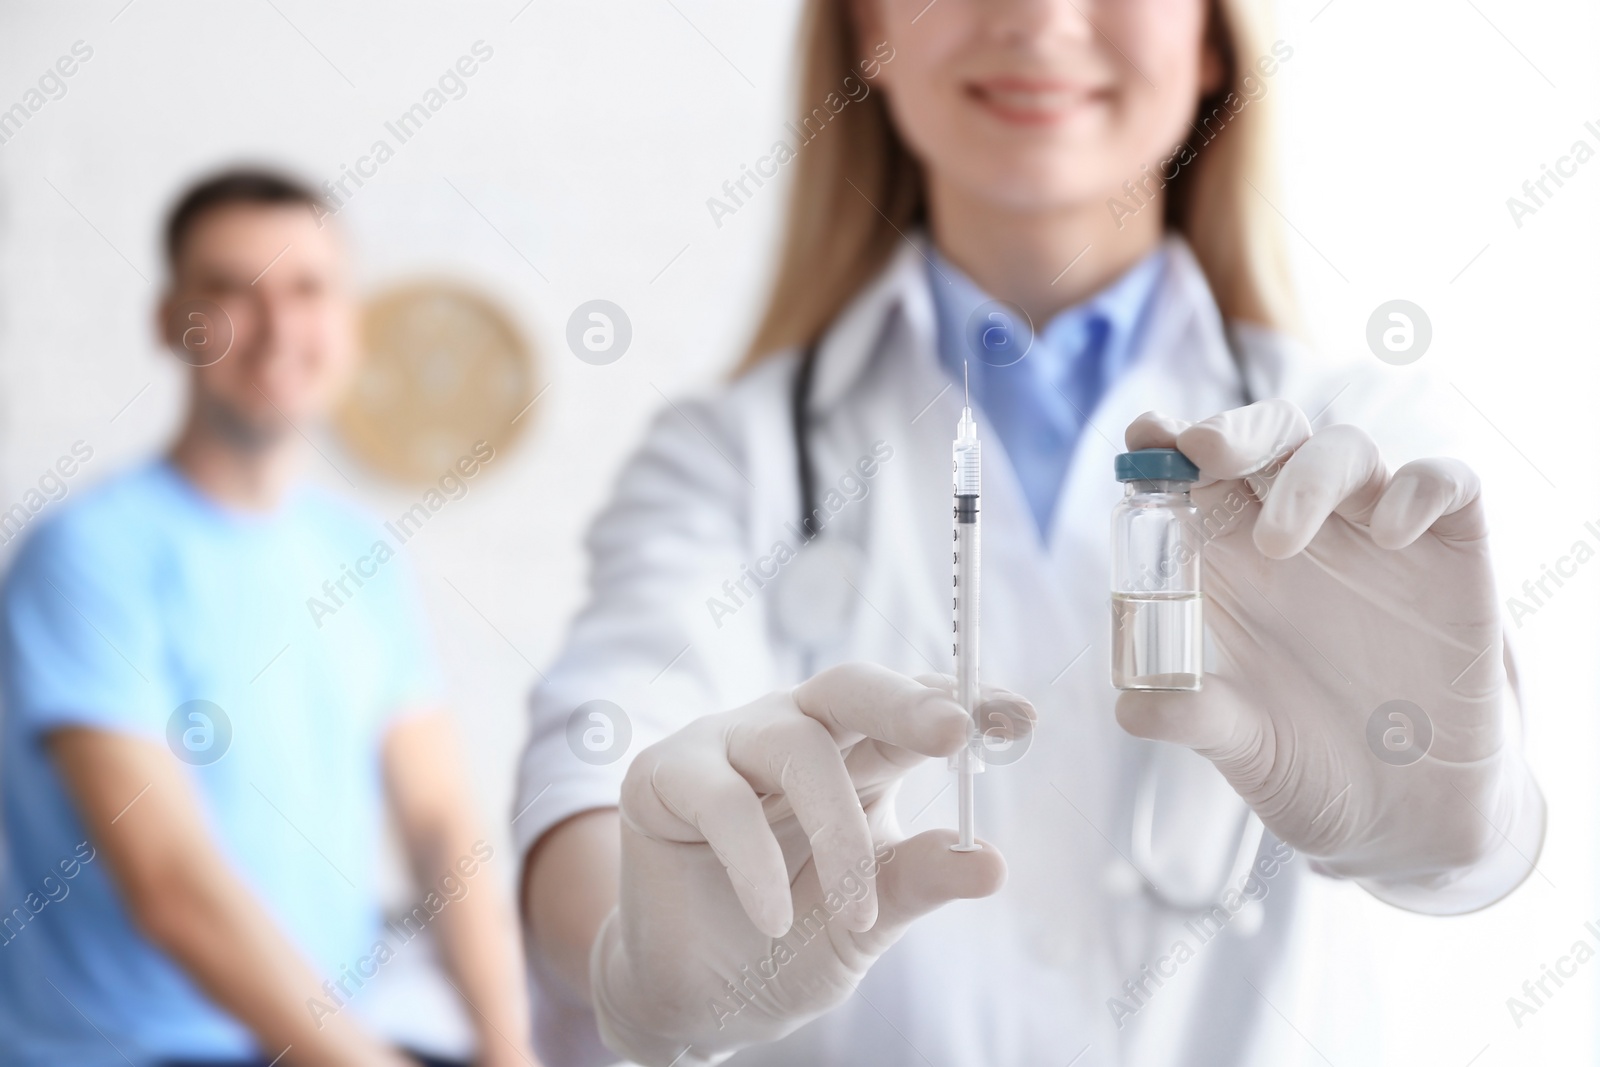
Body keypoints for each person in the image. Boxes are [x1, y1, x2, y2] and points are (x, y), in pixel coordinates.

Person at [515, 1, 1546, 1065]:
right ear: (869, 31)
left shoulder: (1359, 442)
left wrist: (1449, 822)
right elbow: (593, 767)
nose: (1039, 18)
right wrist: (635, 962)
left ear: (1207, 40)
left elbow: (1494, 833)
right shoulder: (727, 454)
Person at [0, 170, 539, 1067]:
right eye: (231, 293)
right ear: (172, 321)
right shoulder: (87, 555)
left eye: (307, 289)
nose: (280, 329)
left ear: (349, 322)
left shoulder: (358, 554)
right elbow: (172, 886)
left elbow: (441, 819)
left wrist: (508, 1047)